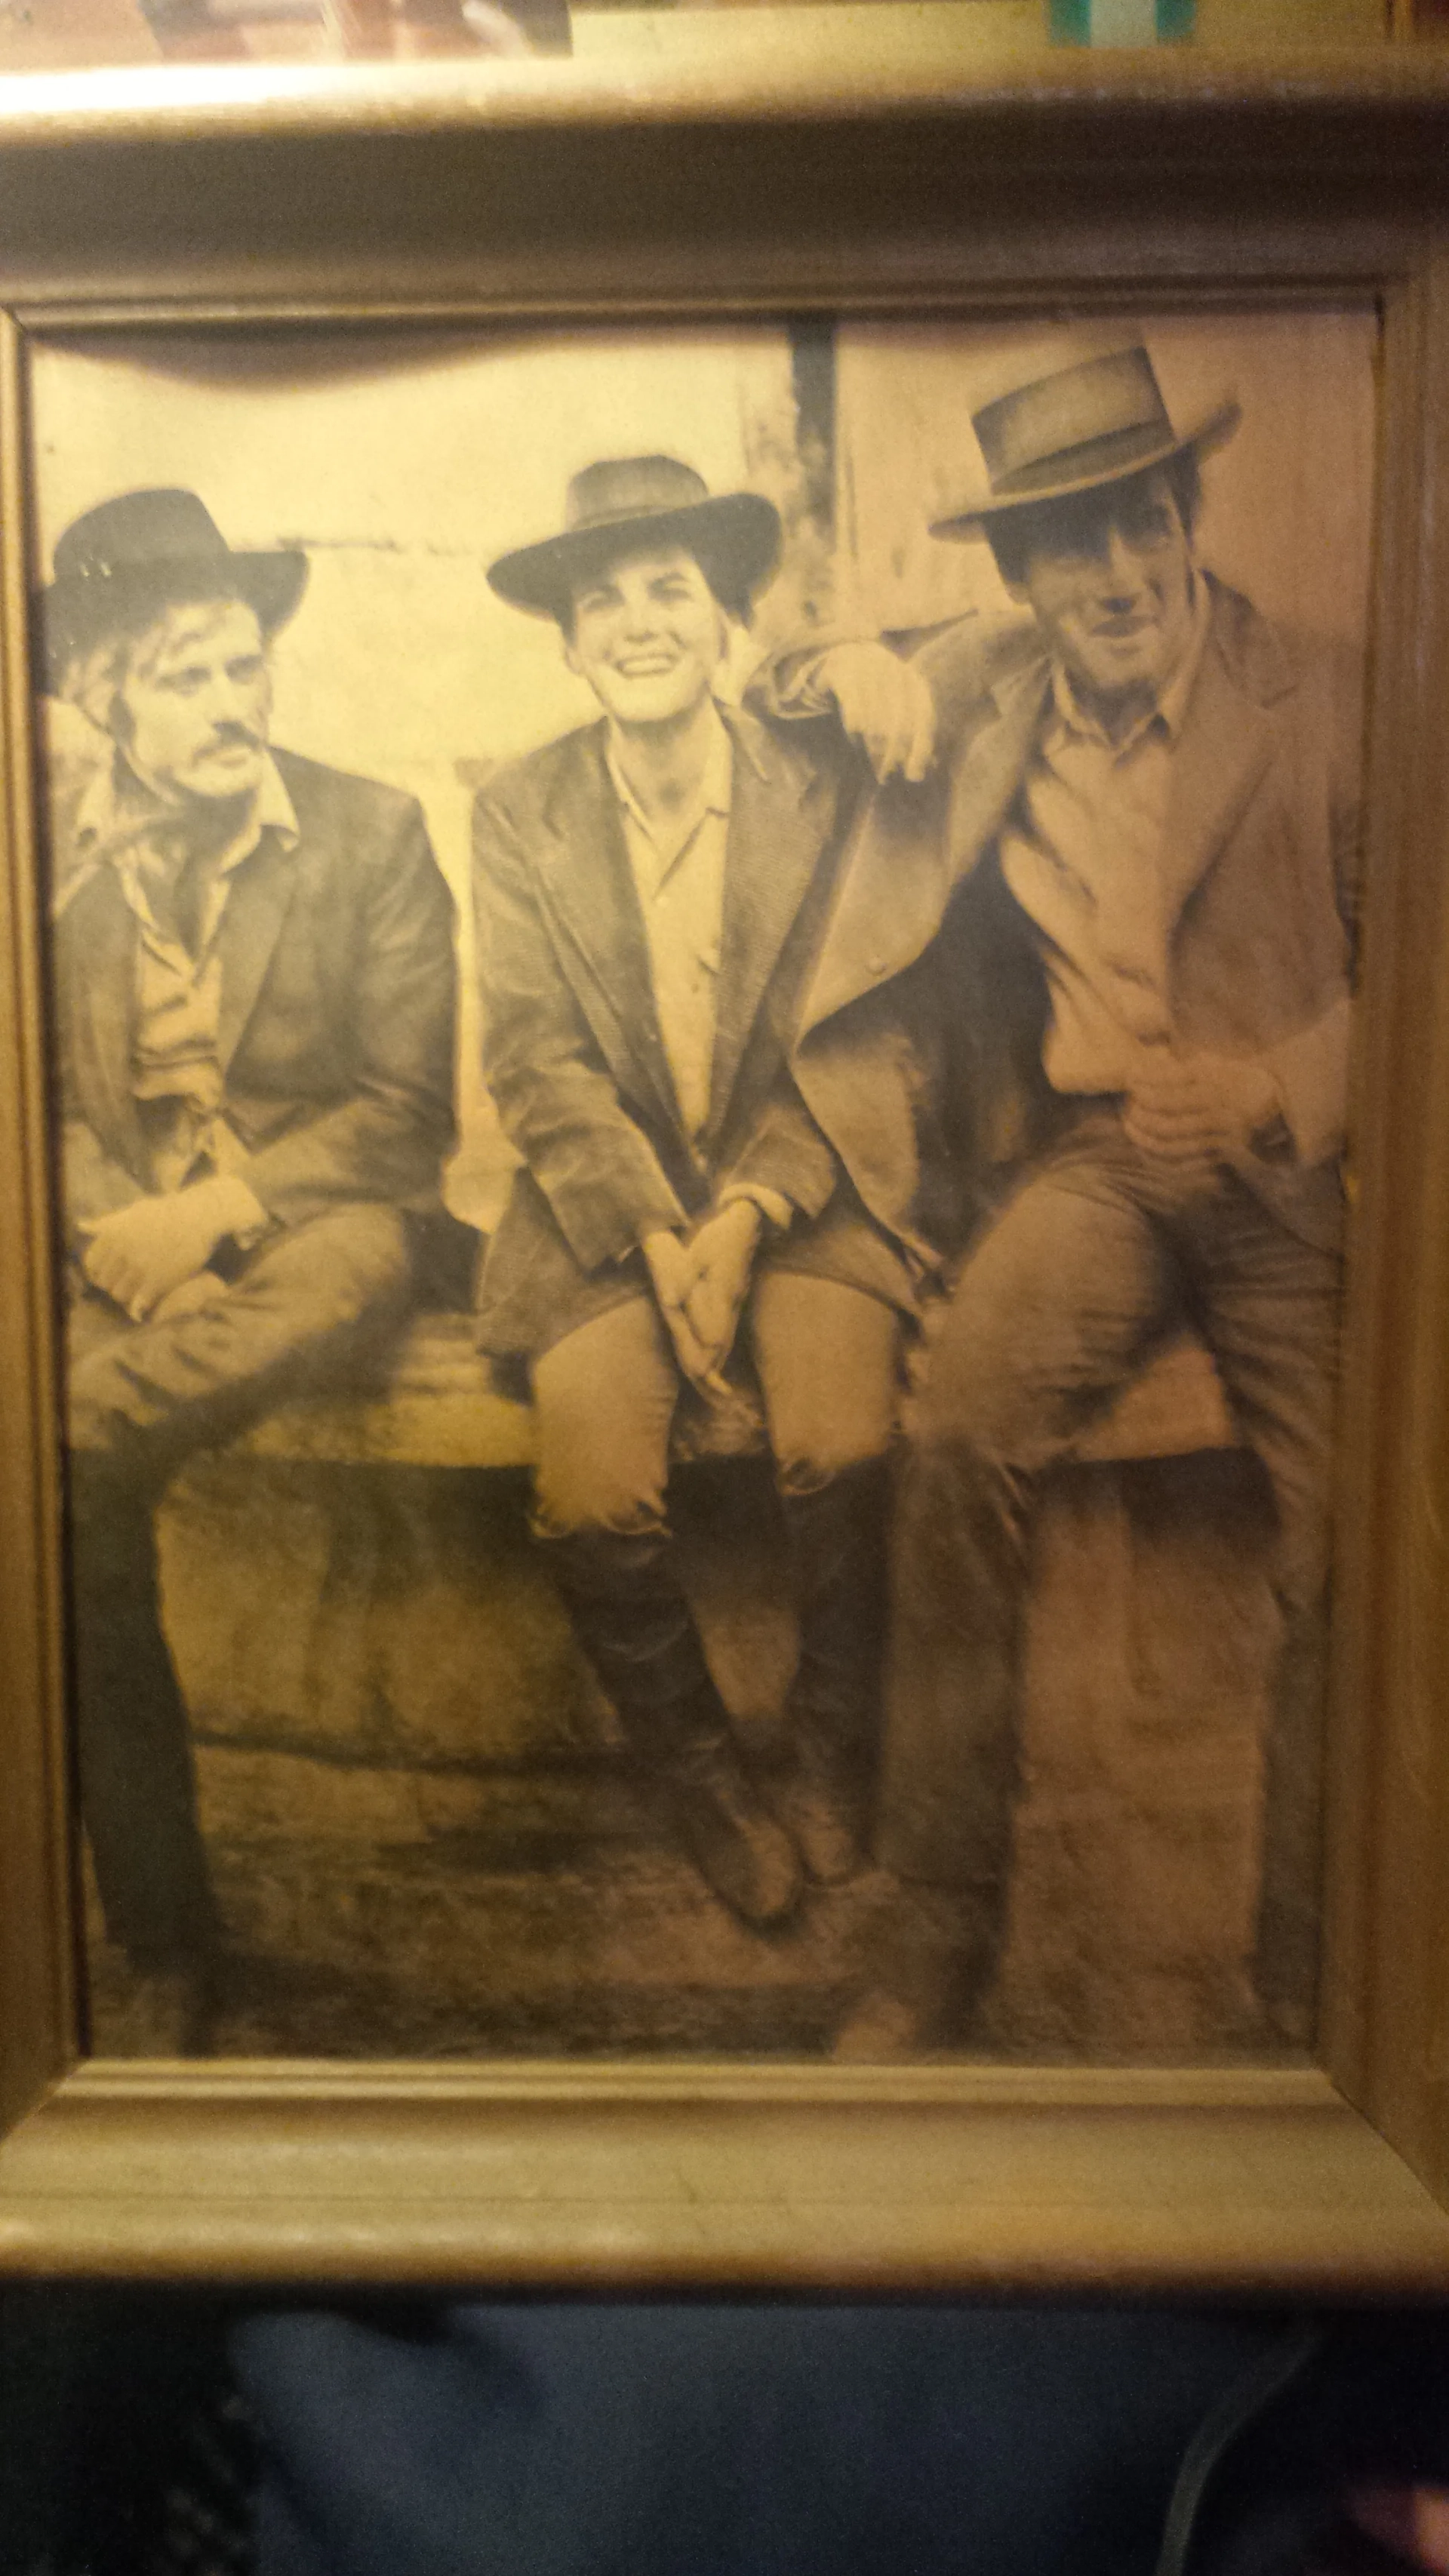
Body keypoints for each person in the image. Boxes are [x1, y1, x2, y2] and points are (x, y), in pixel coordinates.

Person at [770, 341, 1361, 2049]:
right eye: (1070, 545)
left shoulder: (1327, 693)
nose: (1115, 576)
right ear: (1019, 579)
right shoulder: (995, 683)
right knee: (954, 1429)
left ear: (1188, 518)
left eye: (1141, 525)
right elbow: (789, 680)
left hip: (1285, 1176)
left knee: (1364, 1531)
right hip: (1096, 1169)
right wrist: (842, 661)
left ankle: (1314, 1981)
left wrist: (1275, 1086)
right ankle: (937, 1933)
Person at [473, 455, 916, 1931]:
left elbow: (853, 1026)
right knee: (594, 1487)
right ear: (569, 639)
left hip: (804, 1180)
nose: (641, 623)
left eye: (673, 590)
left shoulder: (819, 777)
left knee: (846, 1441)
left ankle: (835, 1754)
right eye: (606, 600)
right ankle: (703, 1773)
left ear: (727, 619)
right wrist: (659, 1227)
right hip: (605, 1207)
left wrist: (743, 1216)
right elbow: (531, 1052)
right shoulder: (522, 807)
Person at [45, 486, 457, 2048]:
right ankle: (165, 1933)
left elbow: (406, 1118)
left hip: (321, 1226)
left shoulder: (371, 831)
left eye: (242, 668)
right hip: (134, 1246)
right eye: (186, 676)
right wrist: (125, 1238)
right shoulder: (62, 878)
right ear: (109, 699)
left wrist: (212, 1218)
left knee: (79, 1436)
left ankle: (160, 1948)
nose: (230, 704)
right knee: (75, 1475)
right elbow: (58, 1111)